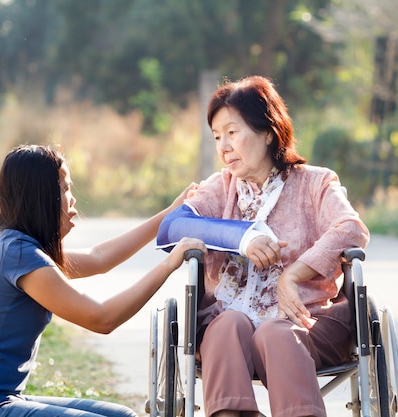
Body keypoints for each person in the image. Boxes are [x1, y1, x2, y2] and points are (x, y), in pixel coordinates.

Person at [0, 144, 206, 417]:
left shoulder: (17, 247)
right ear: (42, 196)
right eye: (65, 189)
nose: (72, 199)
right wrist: (169, 264)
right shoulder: (19, 255)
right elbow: (102, 319)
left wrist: (169, 214)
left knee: (121, 415)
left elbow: (99, 258)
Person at [157, 76, 370, 417]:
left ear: (268, 132)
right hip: (227, 326)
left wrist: (293, 276)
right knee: (227, 325)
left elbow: (352, 228)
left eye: (232, 132)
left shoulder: (315, 183)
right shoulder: (220, 188)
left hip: (308, 322)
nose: (223, 147)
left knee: (276, 332)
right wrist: (243, 238)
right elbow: (170, 228)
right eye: (216, 137)